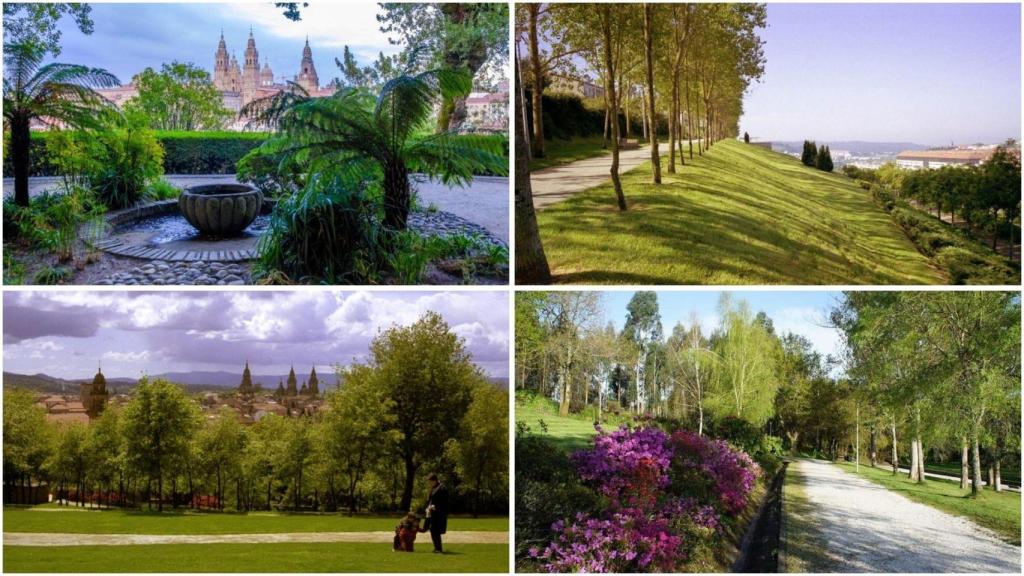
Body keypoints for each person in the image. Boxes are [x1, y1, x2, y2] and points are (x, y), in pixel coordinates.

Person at [419, 472, 449, 553]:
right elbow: (431, 499)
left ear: (434, 480)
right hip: (432, 512)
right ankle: (437, 548)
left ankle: (438, 549)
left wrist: (435, 507)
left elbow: (444, 501)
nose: (429, 484)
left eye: (430, 482)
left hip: (438, 513)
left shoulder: (442, 488)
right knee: (432, 529)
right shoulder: (435, 487)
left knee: (435, 530)